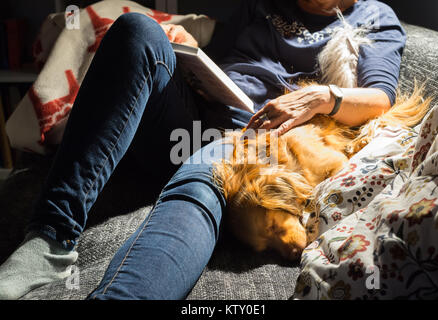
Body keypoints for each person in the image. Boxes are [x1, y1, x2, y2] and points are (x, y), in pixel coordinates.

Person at [0, 0, 406, 299]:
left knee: (212, 165)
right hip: (195, 119)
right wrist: (187, 61)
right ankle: (50, 238)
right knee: (137, 30)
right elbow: (219, 62)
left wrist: (320, 98)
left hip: (257, 145)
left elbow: (379, 98)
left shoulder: (374, 17)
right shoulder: (260, 7)